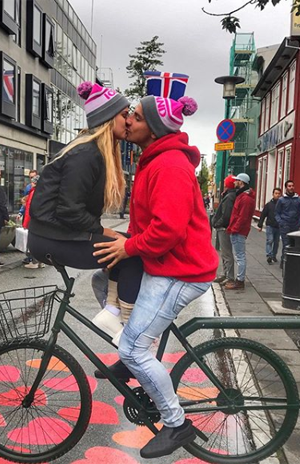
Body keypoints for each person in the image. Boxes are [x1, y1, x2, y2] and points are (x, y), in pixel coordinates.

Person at [93, 94, 219, 459]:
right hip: (164, 264)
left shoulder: (169, 167)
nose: (127, 120)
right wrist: (124, 241)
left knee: (133, 346)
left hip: (180, 271)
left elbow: (168, 230)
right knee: (103, 282)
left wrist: (128, 247)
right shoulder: (155, 160)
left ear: (155, 127)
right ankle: (131, 357)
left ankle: (176, 424)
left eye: (134, 116)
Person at [28, 82, 144, 343]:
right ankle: (127, 332)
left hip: (56, 233)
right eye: (123, 115)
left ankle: (113, 312)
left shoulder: (93, 151)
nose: (127, 122)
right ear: (107, 118)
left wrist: (109, 234)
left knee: (127, 245)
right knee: (131, 254)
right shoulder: (86, 153)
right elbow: (69, 210)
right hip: (51, 238)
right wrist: (104, 231)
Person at [225, 173, 256, 290]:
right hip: (237, 230)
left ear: (241, 182)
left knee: (240, 256)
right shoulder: (243, 196)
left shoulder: (245, 198)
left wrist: (234, 229)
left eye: (236, 180)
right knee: (239, 255)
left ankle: (240, 281)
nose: (234, 182)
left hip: (238, 231)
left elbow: (242, 217)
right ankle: (239, 279)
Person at [212, 175, 237, 284]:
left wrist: (217, 223)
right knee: (224, 252)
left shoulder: (229, 197)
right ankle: (225, 274)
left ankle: (229, 276)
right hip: (223, 227)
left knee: (226, 252)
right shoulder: (230, 196)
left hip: (224, 228)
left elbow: (226, 215)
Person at [275, 180, 300, 269]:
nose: (291, 187)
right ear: (286, 187)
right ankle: (284, 262)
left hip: (295, 224)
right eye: (289, 186)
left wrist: (299, 222)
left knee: (294, 244)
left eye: (292, 186)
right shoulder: (281, 200)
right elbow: (277, 212)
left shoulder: (299, 199)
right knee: (286, 244)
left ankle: (292, 262)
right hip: (285, 224)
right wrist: (281, 222)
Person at [22, 175, 45, 269]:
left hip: (33, 221)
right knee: (40, 241)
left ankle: (34, 262)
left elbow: (29, 209)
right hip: (41, 220)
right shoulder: (44, 191)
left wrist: (25, 223)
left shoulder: (33, 192)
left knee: (33, 241)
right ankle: (41, 261)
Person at [258, 188, 282, 264]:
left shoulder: (282, 205)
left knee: (276, 242)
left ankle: (274, 255)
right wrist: (260, 225)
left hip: (278, 226)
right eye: (276, 193)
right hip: (270, 225)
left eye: (279, 193)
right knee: (270, 240)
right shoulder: (269, 205)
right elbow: (263, 215)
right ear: (273, 194)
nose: (277, 195)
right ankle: (269, 255)